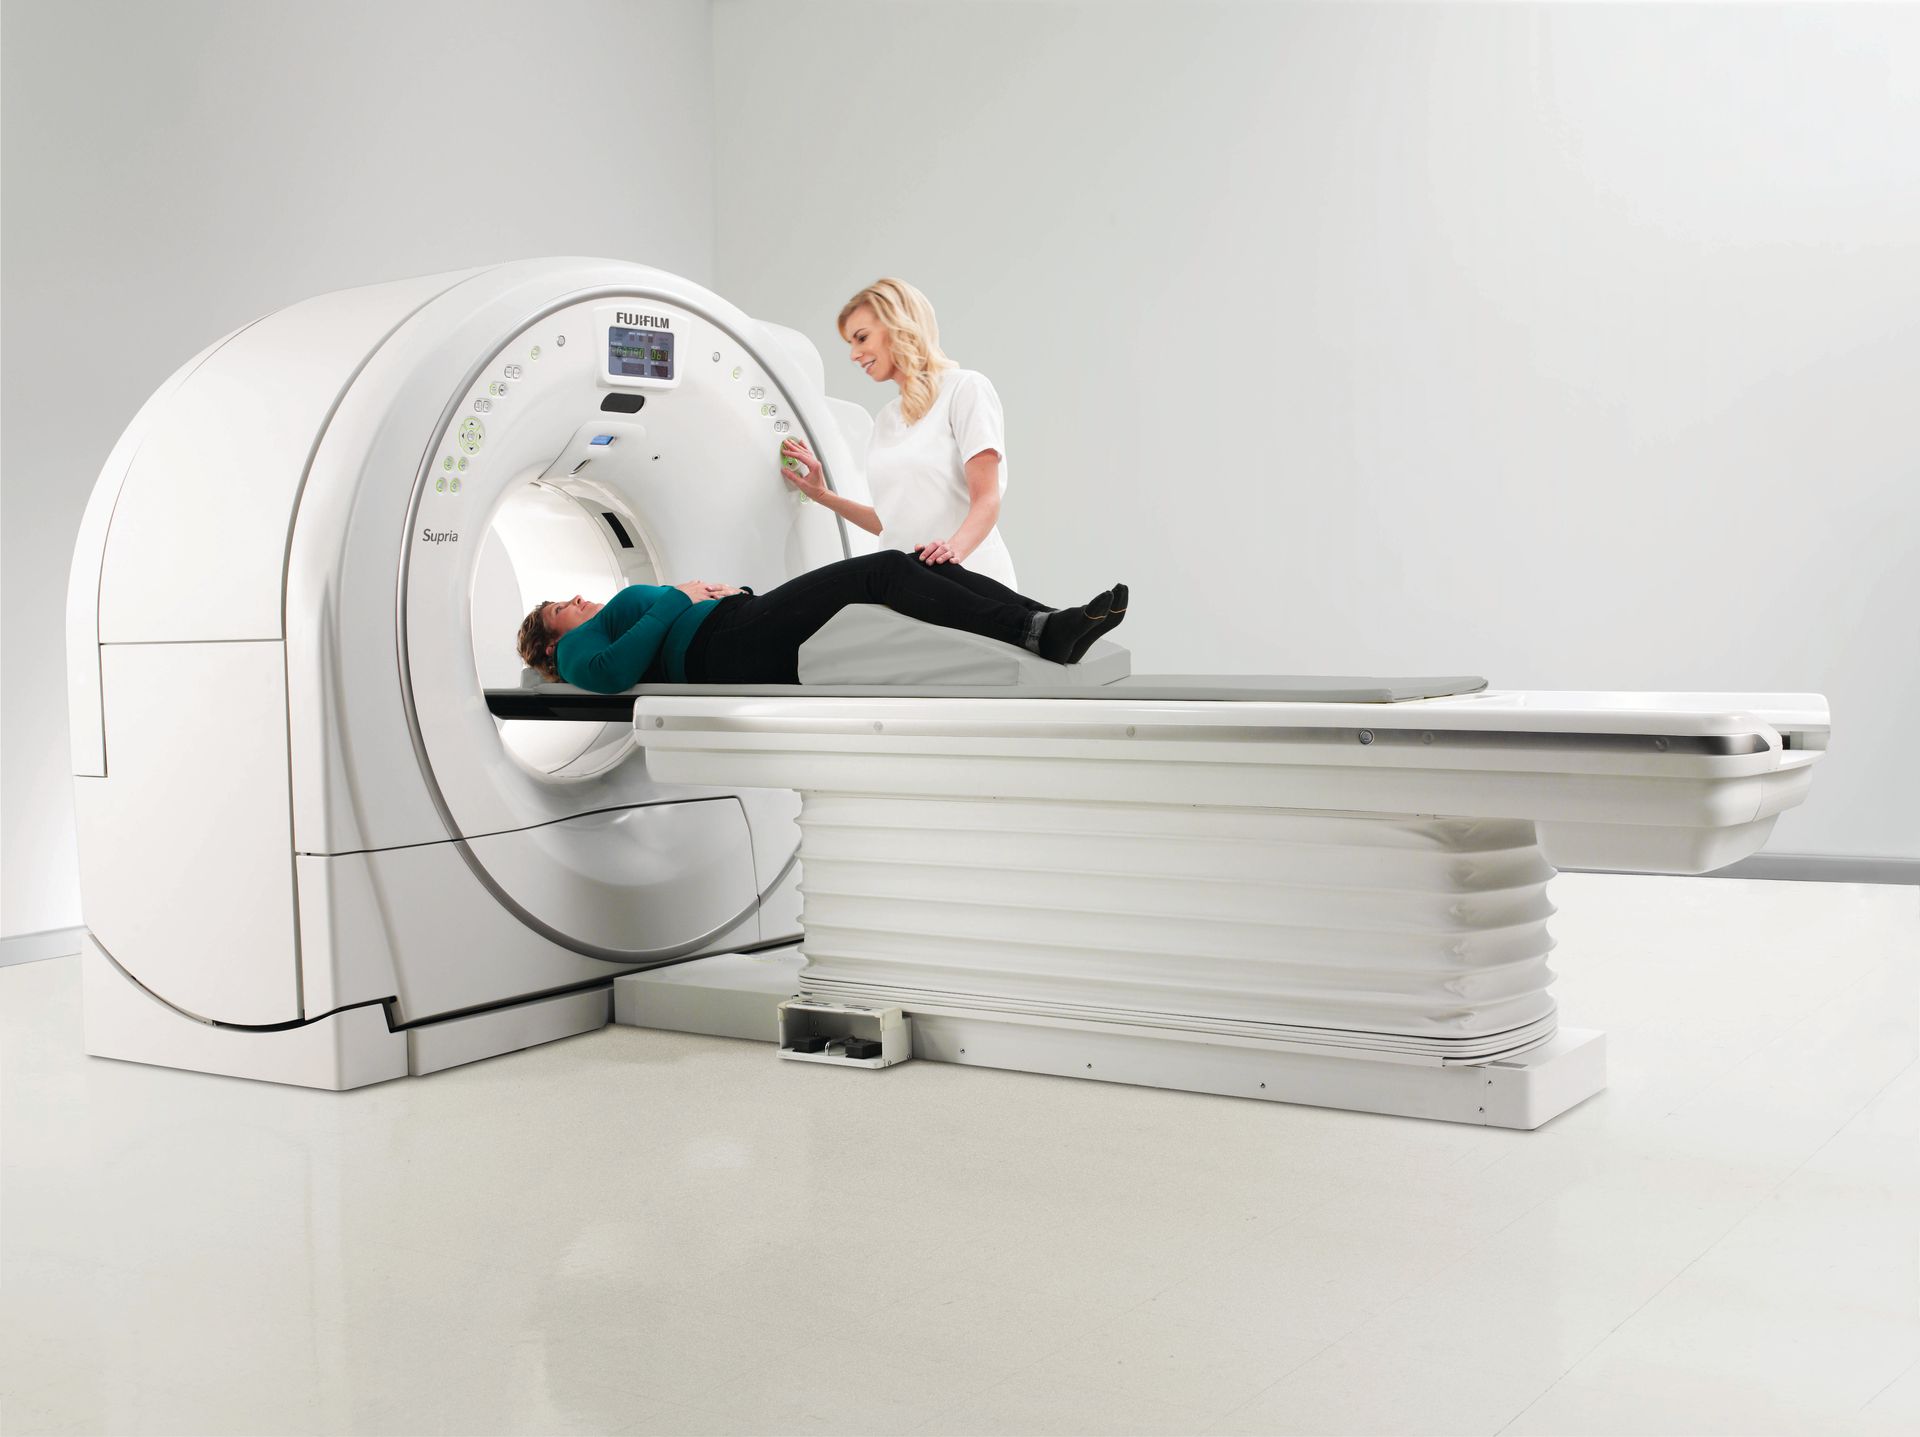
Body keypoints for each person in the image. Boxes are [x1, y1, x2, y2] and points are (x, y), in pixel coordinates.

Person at [516, 552, 1127, 693]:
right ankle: (1041, 632)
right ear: (551, 641)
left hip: (733, 626)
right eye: (559, 608)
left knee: (912, 562)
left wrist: (725, 592)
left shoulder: (609, 620)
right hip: (724, 647)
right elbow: (615, 672)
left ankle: (1045, 621)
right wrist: (677, 597)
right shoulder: (575, 655)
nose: (574, 599)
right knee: (883, 570)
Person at [778, 278, 1022, 587]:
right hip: (913, 588)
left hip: (970, 580)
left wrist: (949, 555)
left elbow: (987, 500)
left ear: (899, 328)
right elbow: (889, 522)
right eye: (850, 343)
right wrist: (823, 495)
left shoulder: (965, 389)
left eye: (862, 338)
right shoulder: (886, 419)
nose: (854, 354)